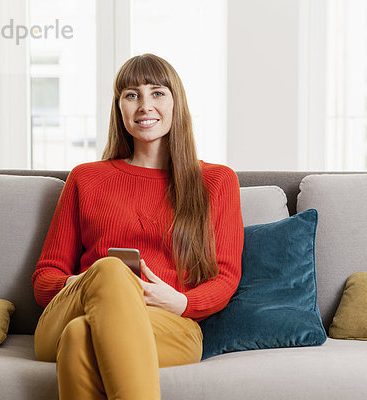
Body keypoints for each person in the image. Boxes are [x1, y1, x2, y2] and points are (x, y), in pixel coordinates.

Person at [32, 53, 244, 400]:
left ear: (177, 103)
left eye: (157, 93)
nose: (145, 105)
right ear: (119, 108)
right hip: (72, 309)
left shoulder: (217, 181)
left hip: (169, 323)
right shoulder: (85, 178)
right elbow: (44, 280)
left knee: (79, 338)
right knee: (111, 271)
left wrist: (181, 302)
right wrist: (90, 283)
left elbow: (225, 276)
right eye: (132, 95)